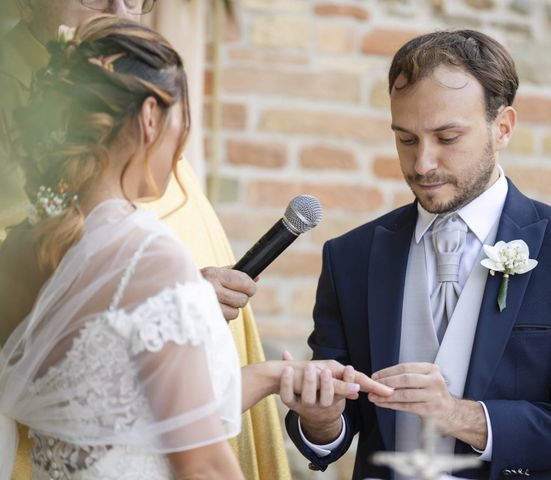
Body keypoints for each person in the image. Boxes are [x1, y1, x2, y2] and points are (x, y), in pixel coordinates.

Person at [0, 16, 393, 480]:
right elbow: (204, 465)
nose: (183, 144)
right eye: (184, 120)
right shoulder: (147, 256)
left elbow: (132, 411)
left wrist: (272, 378)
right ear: (150, 117)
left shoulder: (30, 244)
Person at [284, 29, 551, 480]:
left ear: (502, 127)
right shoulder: (350, 256)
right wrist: (322, 420)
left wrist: (459, 415)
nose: (423, 163)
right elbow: (337, 425)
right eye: (406, 140)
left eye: (447, 137)